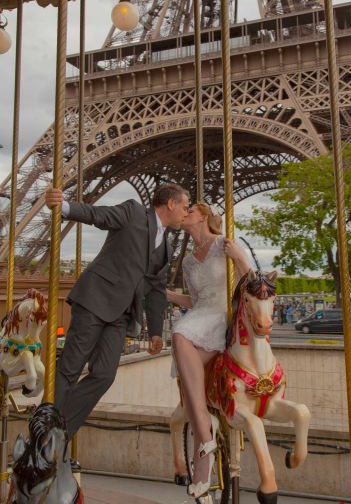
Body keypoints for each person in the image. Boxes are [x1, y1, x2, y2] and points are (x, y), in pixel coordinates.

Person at [45, 183, 189, 439]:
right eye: (185, 206)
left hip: (121, 314)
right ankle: (50, 436)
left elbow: (156, 290)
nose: (186, 212)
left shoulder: (166, 246)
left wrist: (156, 332)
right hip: (95, 300)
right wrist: (64, 206)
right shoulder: (134, 212)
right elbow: (98, 216)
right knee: (70, 368)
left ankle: (56, 428)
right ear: (171, 203)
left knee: (104, 374)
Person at [167, 203, 250, 499]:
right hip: (198, 318)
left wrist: (239, 257)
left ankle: (204, 435)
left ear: (202, 216)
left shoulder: (224, 245)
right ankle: (206, 439)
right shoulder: (188, 261)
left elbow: (249, 283)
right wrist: (166, 294)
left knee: (179, 333)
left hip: (218, 317)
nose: (184, 212)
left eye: (190, 209)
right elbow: (193, 300)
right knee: (190, 382)